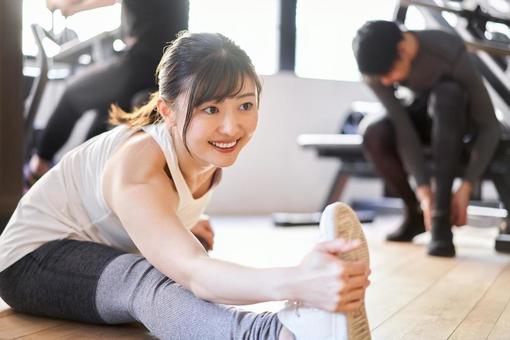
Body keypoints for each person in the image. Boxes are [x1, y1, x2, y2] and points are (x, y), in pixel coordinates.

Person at [0, 32, 371, 340]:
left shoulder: (203, 153)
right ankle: (276, 334)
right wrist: (295, 283)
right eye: (211, 109)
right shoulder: (139, 165)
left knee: (187, 253)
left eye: (245, 105)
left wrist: (182, 222)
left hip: (94, 252)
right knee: (150, 280)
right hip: (29, 263)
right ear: (167, 111)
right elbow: (195, 274)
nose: (231, 127)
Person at [352, 20, 502, 257]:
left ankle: (441, 221)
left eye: (389, 74)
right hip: (418, 117)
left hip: (455, 121)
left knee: (447, 94)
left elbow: (490, 126)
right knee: (373, 131)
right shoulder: (375, 71)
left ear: (402, 50)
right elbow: (403, 128)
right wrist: (423, 193)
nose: (387, 83)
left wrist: (466, 186)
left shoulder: (448, 50)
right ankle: (415, 214)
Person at [25, 0, 189, 186]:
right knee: (107, 114)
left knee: (72, 96)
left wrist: (66, 6)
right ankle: (81, 178)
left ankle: (40, 164)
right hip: (164, 67)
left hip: (144, 61)